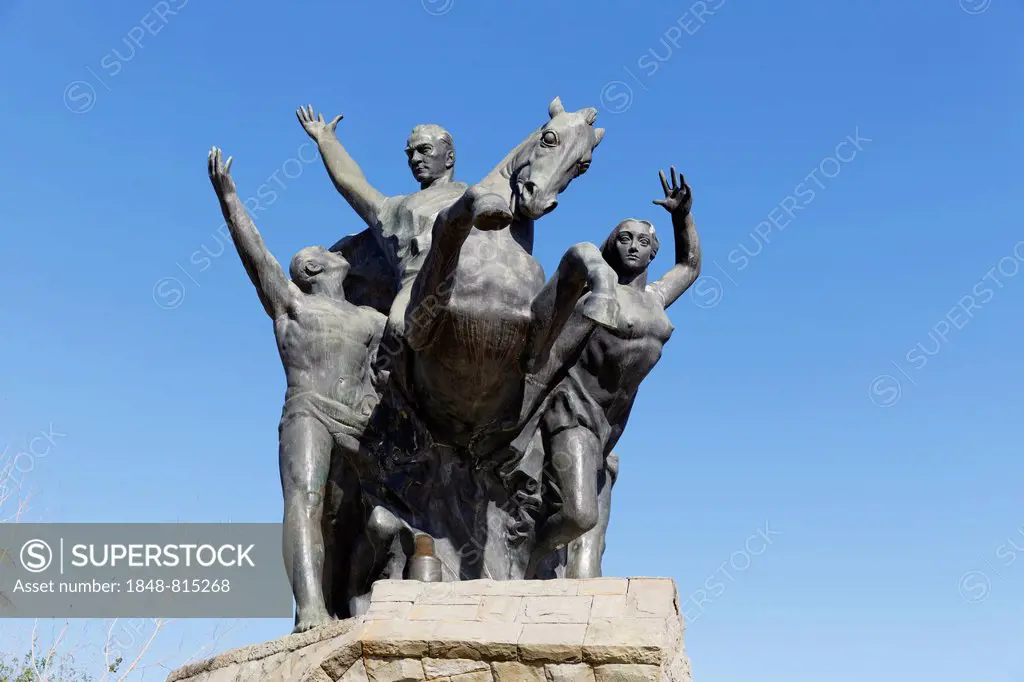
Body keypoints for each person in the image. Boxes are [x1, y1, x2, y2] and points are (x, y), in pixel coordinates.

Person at [207, 147, 386, 631]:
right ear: (310, 270)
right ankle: (310, 609)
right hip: (308, 412)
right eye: (326, 252)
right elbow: (256, 257)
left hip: (360, 423)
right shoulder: (293, 306)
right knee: (306, 502)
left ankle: (356, 595)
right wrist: (229, 199)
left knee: (368, 517)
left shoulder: (371, 320)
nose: (337, 253)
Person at [528, 166, 702, 579]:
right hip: (572, 413)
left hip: (610, 429)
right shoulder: (592, 296)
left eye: (643, 241)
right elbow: (547, 347)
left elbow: (691, 266)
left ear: (653, 251)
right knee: (577, 516)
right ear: (611, 245)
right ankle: (525, 556)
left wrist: (682, 217)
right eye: (624, 238)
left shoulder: (657, 299)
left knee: (589, 560)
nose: (633, 246)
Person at [296, 106, 467, 339]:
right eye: (410, 153)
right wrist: (326, 139)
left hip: (472, 281)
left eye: (424, 150)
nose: (415, 159)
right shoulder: (396, 209)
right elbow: (351, 183)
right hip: (417, 291)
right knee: (397, 329)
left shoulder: (471, 197)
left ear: (449, 157)